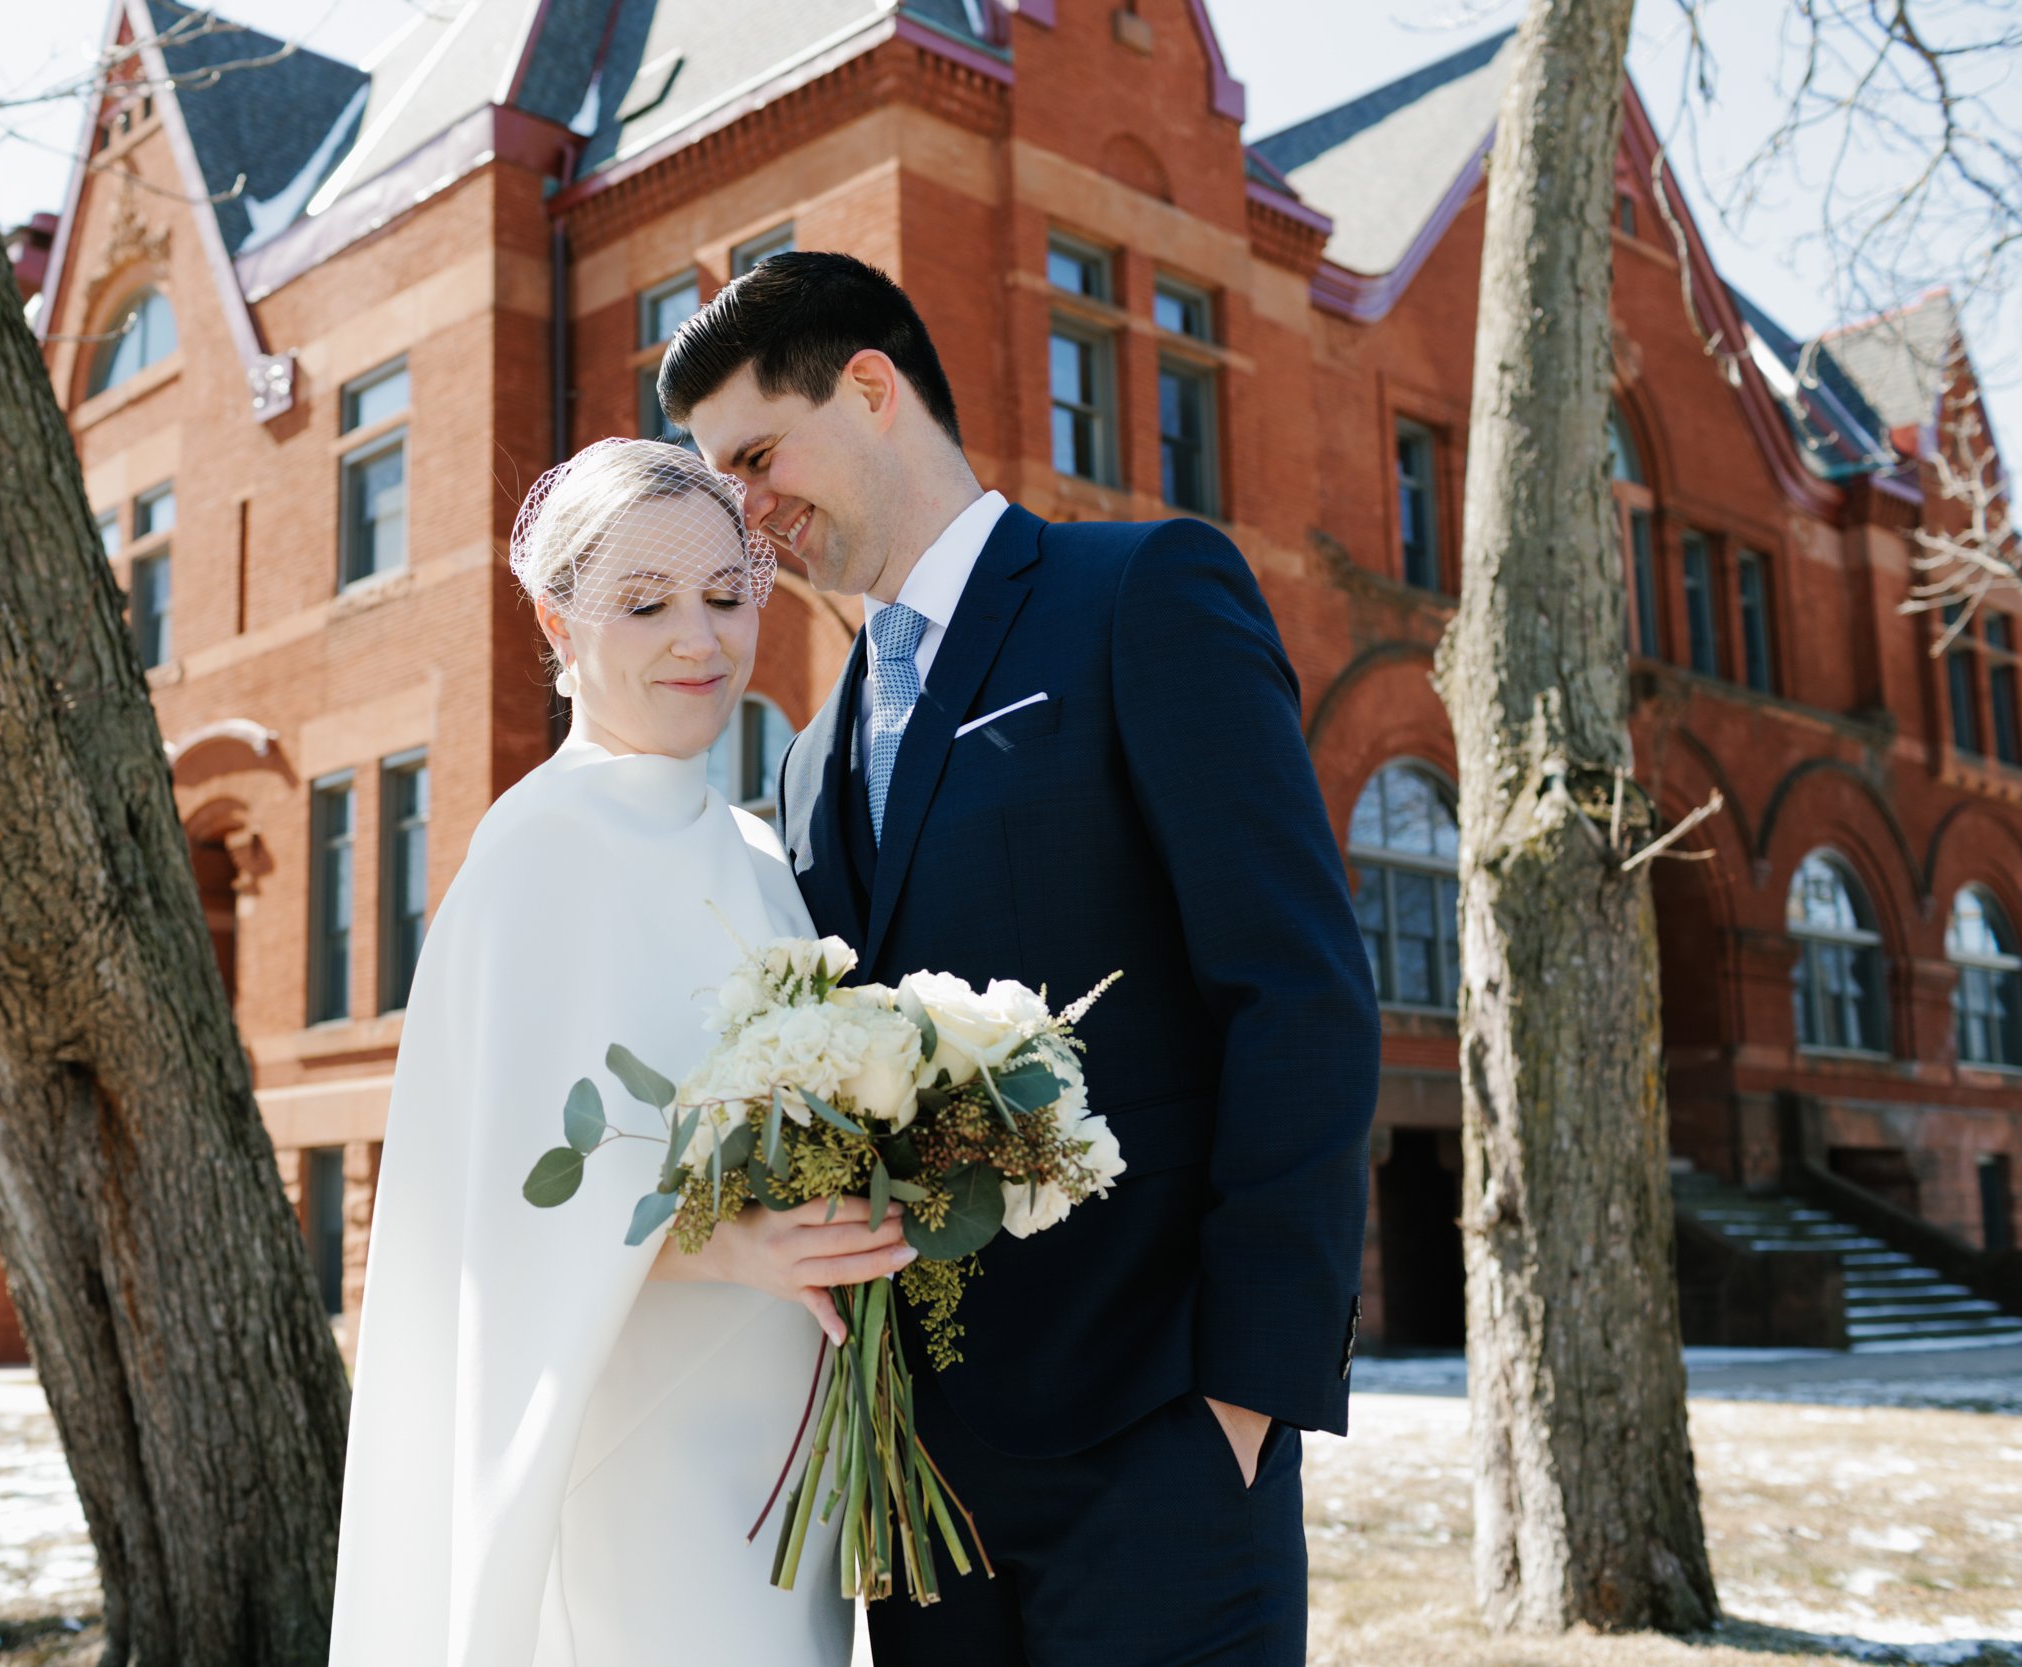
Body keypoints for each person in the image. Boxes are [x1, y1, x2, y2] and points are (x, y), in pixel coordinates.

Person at [660, 252, 1378, 1667]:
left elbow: (1295, 993)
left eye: (753, 456)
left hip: (1160, 1443)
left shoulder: (1142, 593)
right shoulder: (806, 764)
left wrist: (1246, 1393)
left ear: (870, 388)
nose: (741, 518)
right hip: (922, 1494)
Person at [329, 439, 893, 1667]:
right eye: (645, 604)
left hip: (780, 1451)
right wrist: (728, 1242)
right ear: (556, 621)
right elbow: (497, 1208)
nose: (699, 638)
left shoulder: (750, 851)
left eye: (726, 595)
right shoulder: (538, 848)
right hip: (631, 1448)